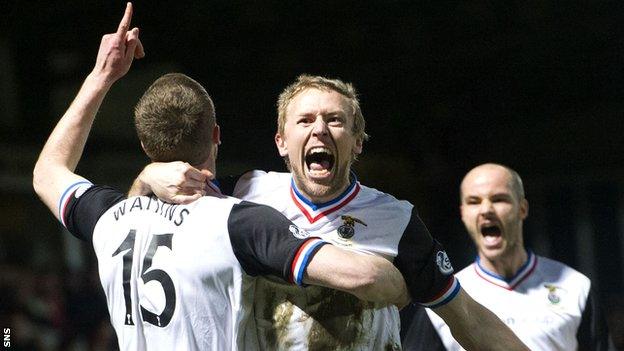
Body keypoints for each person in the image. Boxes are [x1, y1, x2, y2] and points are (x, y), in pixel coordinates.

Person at [32, 4, 412, 350]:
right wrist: (400, 285)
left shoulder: (110, 217)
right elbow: (360, 277)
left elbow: (46, 172)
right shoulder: (237, 221)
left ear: (145, 147)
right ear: (216, 135)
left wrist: (102, 76)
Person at [132, 78, 529, 349]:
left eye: (335, 120)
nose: (319, 129)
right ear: (282, 142)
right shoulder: (244, 193)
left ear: (357, 142)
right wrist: (149, 172)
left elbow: (468, 320)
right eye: (304, 120)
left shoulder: (396, 220)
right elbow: (140, 217)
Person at [402, 163, 615, 350]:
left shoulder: (575, 287)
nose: (486, 209)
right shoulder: (444, 296)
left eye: (499, 199)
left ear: (522, 208)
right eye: (474, 201)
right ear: (463, 213)